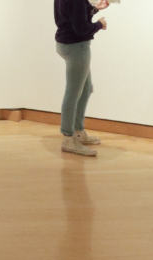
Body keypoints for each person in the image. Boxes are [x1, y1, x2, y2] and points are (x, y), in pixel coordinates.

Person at [54, 0, 108, 157]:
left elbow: (73, 15)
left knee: (86, 89)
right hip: (76, 47)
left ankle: (78, 131)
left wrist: (94, 9)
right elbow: (82, 29)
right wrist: (99, 24)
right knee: (73, 93)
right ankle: (68, 138)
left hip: (66, 44)